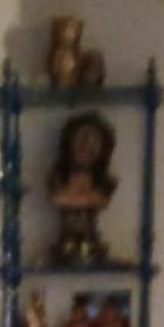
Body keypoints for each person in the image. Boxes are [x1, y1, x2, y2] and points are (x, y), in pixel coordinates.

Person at [48, 112, 117, 265]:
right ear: (69, 144)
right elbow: (57, 199)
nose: (86, 146)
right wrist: (86, 198)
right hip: (65, 239)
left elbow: (101, 200)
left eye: (93, 142)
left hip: (91, 238)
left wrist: (73, 198)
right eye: (81, 140)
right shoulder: (58, 177)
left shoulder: (103, 181)